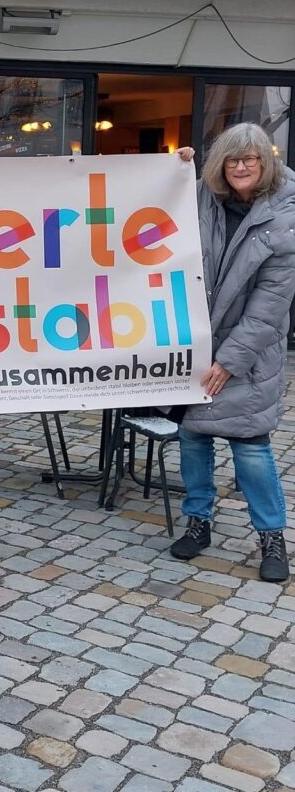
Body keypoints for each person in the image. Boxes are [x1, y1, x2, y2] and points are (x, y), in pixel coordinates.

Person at [171, 123, 295, 581]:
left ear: (266, 163)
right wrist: (174, 168)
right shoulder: (204, 196)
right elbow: (155, 205)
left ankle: (271, 536)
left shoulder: (286, 213)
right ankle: (198, 521)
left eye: (251, 158)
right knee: (193, 439)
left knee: (251, 447)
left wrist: (230, 361)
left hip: (250, 353)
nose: (241, 166)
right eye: (232, 159)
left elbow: (270, 305)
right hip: (199, 342)